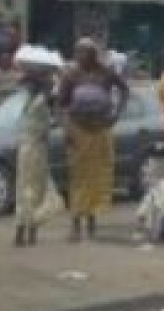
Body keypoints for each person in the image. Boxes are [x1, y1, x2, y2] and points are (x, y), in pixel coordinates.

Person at [58, 37, 129, 241]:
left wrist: (117, 113)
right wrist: (66, 129)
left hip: (100, 129)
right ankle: (75, 224)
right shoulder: (71, 76)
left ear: (92, 54)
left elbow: (124, 89)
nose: (80, 56)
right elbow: (60, 104)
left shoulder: (105, 73)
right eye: (77, 52)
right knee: (78, 176)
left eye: (84, 52)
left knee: (97, 176)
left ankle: (92, 221)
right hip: (78, 129)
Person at [14, 62, 62, 247]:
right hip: (30, 148)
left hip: (33, 148)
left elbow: (45, 126)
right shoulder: (33, 101)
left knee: (30, 189)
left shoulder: (40, 102)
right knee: (29, 189)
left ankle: (26, 230)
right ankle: (26, 230)